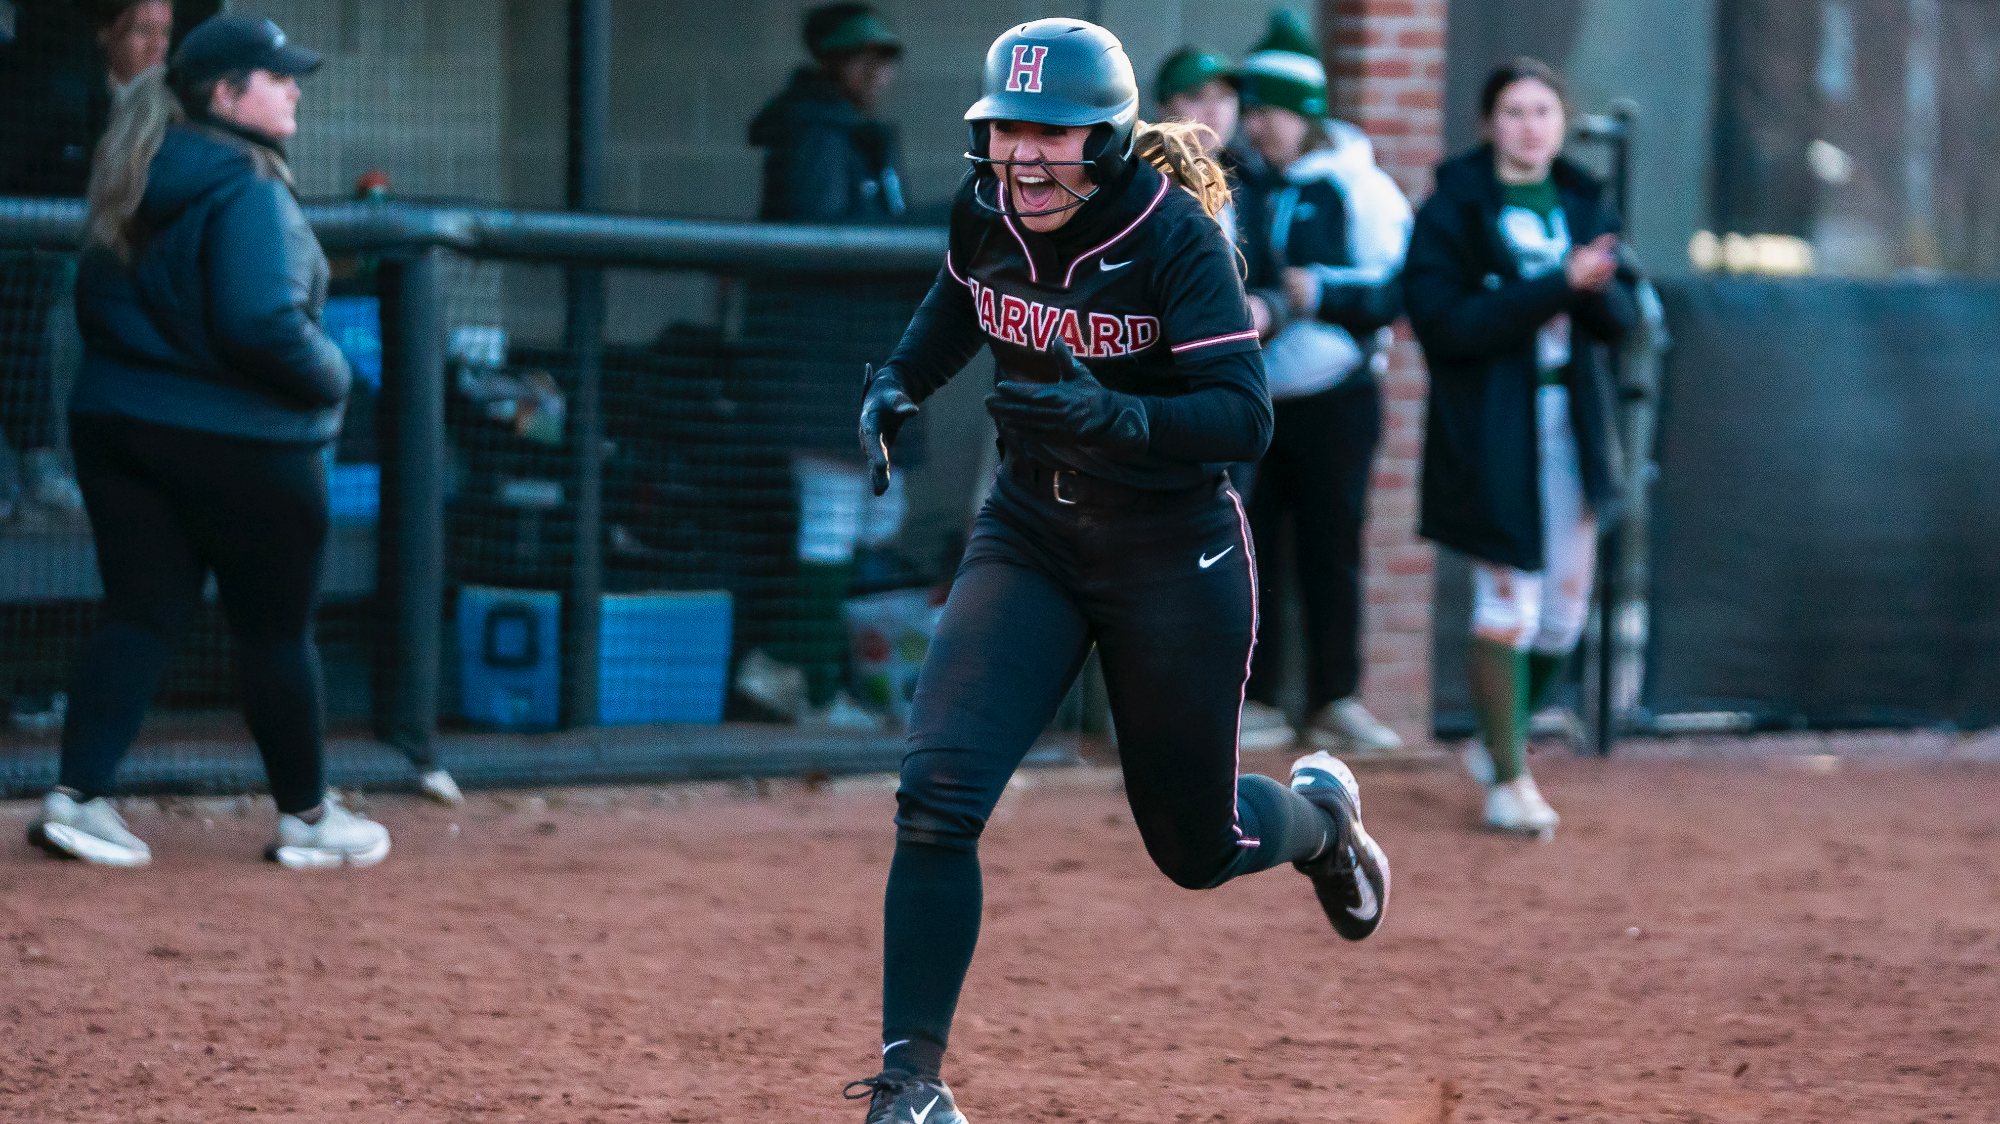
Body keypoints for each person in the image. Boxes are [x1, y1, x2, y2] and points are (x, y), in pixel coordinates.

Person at [845, 20, 1391, 1124]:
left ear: (1105, 138)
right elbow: (961, 299)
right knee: (934, 798)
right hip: (1030, 534)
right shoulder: (986, 208)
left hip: (1169, 554)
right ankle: (909, 1087)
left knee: (1197, 849)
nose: (1024, 156)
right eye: (1006, 130)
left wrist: (1117, 413)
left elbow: (1242, 414)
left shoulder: (1175, 236)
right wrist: (899, 380)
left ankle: (1320, 821)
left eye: (1052, 133)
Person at [26, 13, 391, 869]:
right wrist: (337, 375)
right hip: (247, 444)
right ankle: (307, 817)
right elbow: (259, 322)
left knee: (142, 615)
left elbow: (96, 315)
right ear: (225, 94)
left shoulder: (133, 170)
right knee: (274, 632)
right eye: (276, 77)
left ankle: (76, 799)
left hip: (121, 428)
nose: (294, 87)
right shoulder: (247, 184)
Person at [1401, 58, 1636, 836]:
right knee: (1509, 601)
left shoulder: (1582, 199)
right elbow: (1447, 324)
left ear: (1562, 122)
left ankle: (1498, 735)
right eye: (1513, 111)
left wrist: (1597, 287)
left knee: (1564, 616)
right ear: (1487, 124)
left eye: (1543, 110)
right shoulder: (1455, 207)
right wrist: (1556, 286)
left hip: (1574, 425)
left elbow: (1625, 320)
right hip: (1494, 431)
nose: (1529, 126)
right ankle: (1510, 778)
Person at [0, 1, 168, 520]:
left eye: (164, 32)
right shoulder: (62, 91)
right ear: (106, 35)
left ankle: (49, 472)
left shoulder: (166, 104)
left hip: (73, 274)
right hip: (32, 260)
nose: (156, 46)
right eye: (143, 30)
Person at [748, 2, 906, 223]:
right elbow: (819, 240)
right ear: (828, 61)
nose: (875, 71)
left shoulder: (859, 133)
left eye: (883, 56)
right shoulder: (816, 132)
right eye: (858, 56)